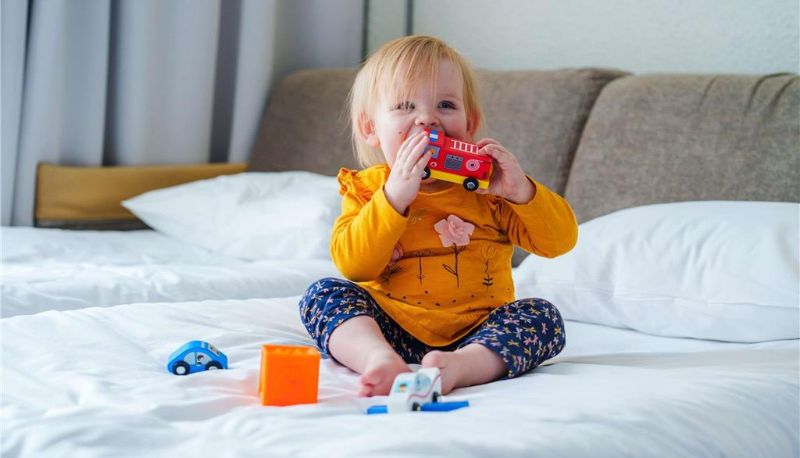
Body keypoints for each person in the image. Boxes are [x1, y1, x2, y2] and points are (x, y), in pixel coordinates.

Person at [298, 35, 578, 397]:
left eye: (445, 105)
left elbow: (559, 243)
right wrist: (393, 198)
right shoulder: (367, 190)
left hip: (479, 331)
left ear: (470, 123)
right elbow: (354, 266)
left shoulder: (491, 191)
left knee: (543, 316)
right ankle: (377, 358)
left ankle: (462, 367)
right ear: (371, 129)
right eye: (405, 105)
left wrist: (520, 190)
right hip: (390, 324)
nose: (428, 118)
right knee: (323, 294)